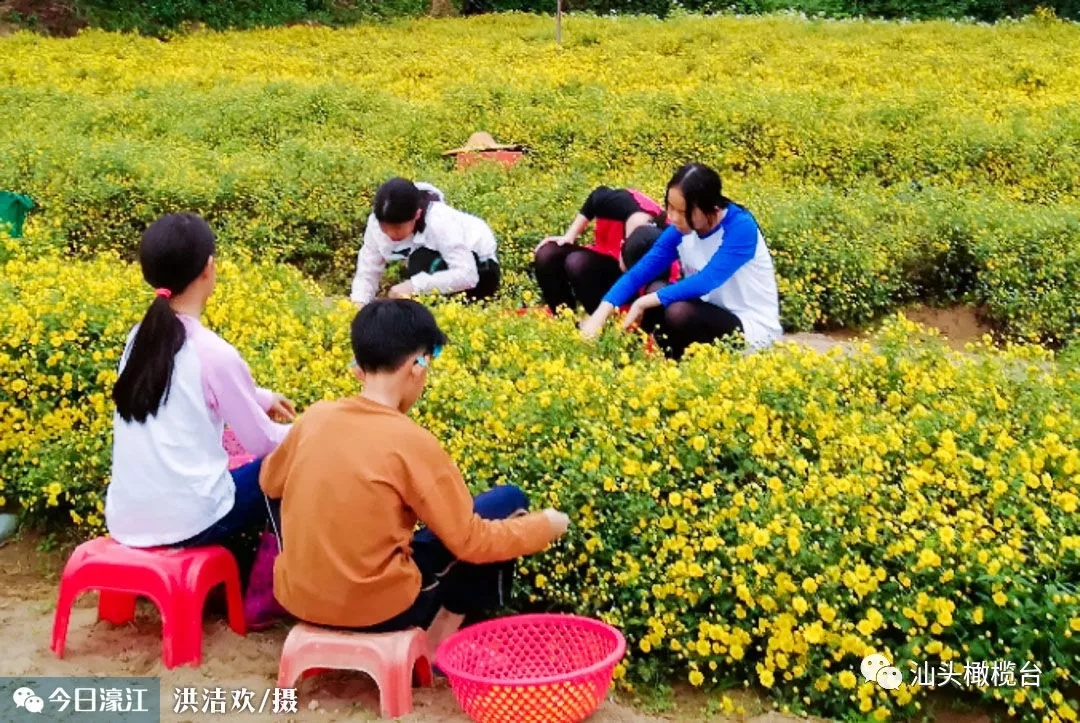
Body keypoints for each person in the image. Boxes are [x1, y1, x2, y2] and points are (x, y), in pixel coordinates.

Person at [259, 299, 570, 648]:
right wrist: (545, 527)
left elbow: (269, 482)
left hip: (299, 600)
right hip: (379, 612)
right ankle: (439, 642)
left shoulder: (316, 417)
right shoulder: (412, 442)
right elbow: (471, 541)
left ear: (359, 367)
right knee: (509, 502)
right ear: (417, 367)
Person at [105, 213, 295, 580]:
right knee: (283, 465)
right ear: (209, 268)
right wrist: (317, 426)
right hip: (192, 522)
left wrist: (261, 397)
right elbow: (264, 441)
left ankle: (232, 574)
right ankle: (265, 586)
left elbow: (183, 387)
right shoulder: (214, 353)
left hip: (125, 519)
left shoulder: (138, 339)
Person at [580, 163, 782, 360]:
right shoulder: (680, 230)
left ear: (710, 208)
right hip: (707, 315)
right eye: (670, 208)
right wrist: (599, 315)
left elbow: (706, 280)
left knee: (677, 310)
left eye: (682, 212)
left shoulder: (740, 227)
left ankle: (680, 367)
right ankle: (669, 365)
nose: (673, 218)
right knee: (656, 292)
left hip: (751, 329)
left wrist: (641, 303)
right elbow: (638, 274)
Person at [350, 178, 501, 306]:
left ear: (417, 214)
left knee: (419, 263)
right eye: (385, 228)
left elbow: (467, 275)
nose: (390, 234)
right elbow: (368, 269)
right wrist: (359, 303)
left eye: (398, 228)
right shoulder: (375, 223)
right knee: (418, 268)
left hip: (481, 269)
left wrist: (414, 286)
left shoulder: (440, 220)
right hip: (438, 262)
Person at [533, 186, 677, 314]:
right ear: (622, 245)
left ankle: (602, 324)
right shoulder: (621, 203)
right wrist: (569, 236)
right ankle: (565, 319)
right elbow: (595, 198)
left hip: (643, 287)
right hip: (607, 259)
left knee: (577, 263)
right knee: (548, 253)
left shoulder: (667, 236)